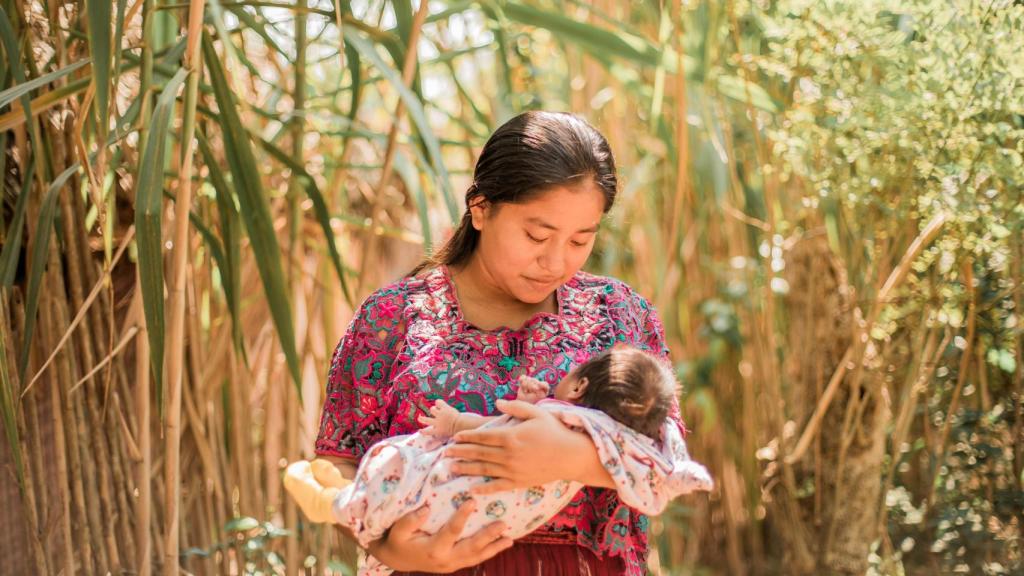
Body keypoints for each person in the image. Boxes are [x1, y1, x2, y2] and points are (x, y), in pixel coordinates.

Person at [313, 110, 693, 575]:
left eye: (579, 241)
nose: (555, 261)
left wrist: (572, 457)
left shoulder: (618, 313)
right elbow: (337, 466)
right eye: (537, 235)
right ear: (480, 209)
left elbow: (668, 462)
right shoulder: (392, 316)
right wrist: (393, 551)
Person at [291, 347, 712, 575]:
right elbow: (655, 457)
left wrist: (455, 422)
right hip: (481, 530)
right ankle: (346, 496)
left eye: (581, 238)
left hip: (460, 500)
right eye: (536, 234)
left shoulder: (563, 415)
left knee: (404, 471)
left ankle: (336, 501)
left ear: (578, 386)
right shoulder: (615, 441)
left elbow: (494, 431)